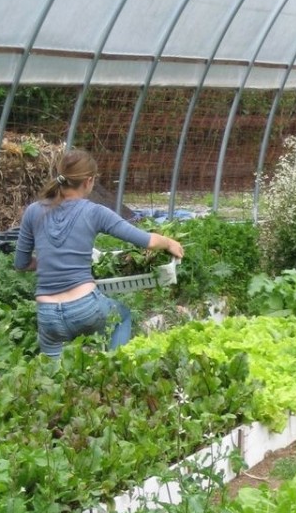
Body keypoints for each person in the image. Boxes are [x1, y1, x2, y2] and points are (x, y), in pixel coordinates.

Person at [14, 148, 184, 358]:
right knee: (121, 316)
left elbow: (21, 263)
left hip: (47, 315)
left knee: (53, 382)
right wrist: (169, 242)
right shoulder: (94, 212)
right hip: (85, 308)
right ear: (89, 181)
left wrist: (50, 261)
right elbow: (146, 241)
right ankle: (112, 371)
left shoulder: (33, 211)